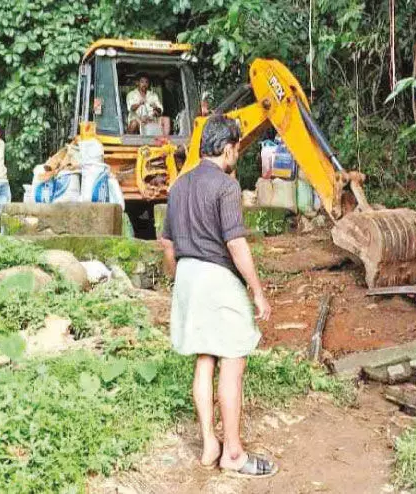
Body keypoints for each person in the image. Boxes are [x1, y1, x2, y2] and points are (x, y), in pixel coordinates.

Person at [160, 115, 278, 478]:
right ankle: (234, 454)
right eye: (237, 149)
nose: (237, 156)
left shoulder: (179, 186)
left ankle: (210, 443)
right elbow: (236, 244)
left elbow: (166, 244)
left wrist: (179, 279)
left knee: (204, 359)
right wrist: (257, 291)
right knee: (232, 362)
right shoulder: (225, 186)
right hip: (217, 278)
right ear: (227, 148)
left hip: (188, 277)